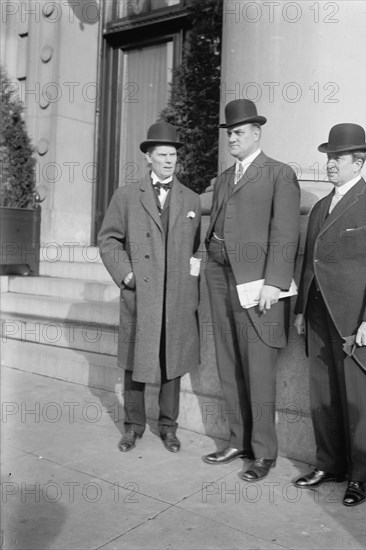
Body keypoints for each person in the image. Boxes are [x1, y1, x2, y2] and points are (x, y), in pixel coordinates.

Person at [293, 123, 366, 506]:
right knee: (322, 394)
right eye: (328, 157)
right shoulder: (322, 206)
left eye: (337, 158)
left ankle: (359, 477)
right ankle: (329, 464)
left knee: (358, 399)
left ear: (358, 162)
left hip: (356, 321)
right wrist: (300, 310)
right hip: (318, 315)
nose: (329, 164)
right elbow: (310, 263)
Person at [202, 99, 300, 481]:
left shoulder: (278, 173)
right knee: (228, 362)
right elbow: (215, 221)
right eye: (229, 132)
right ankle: (237, 440)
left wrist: (275, 282)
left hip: (257, 285)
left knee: (258, 369)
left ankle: (264, 453)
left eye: (238, 132)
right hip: (219, 277)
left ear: (256, 134)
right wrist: (203, 254)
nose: (232, 138)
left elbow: (286, 232)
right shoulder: (226, 177)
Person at [98, 121, 201, 454]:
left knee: (172, 362)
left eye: (173, 154)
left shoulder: (191, 199)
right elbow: (108, 239)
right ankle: (133, 426)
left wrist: (190, 282)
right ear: (148, 157)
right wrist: (126, 275)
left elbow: (198, 248)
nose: (169, 160)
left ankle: (168, 428)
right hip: (140, 294)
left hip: (175, 297)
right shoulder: (127, 196)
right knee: (135, 363)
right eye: (162, 154)